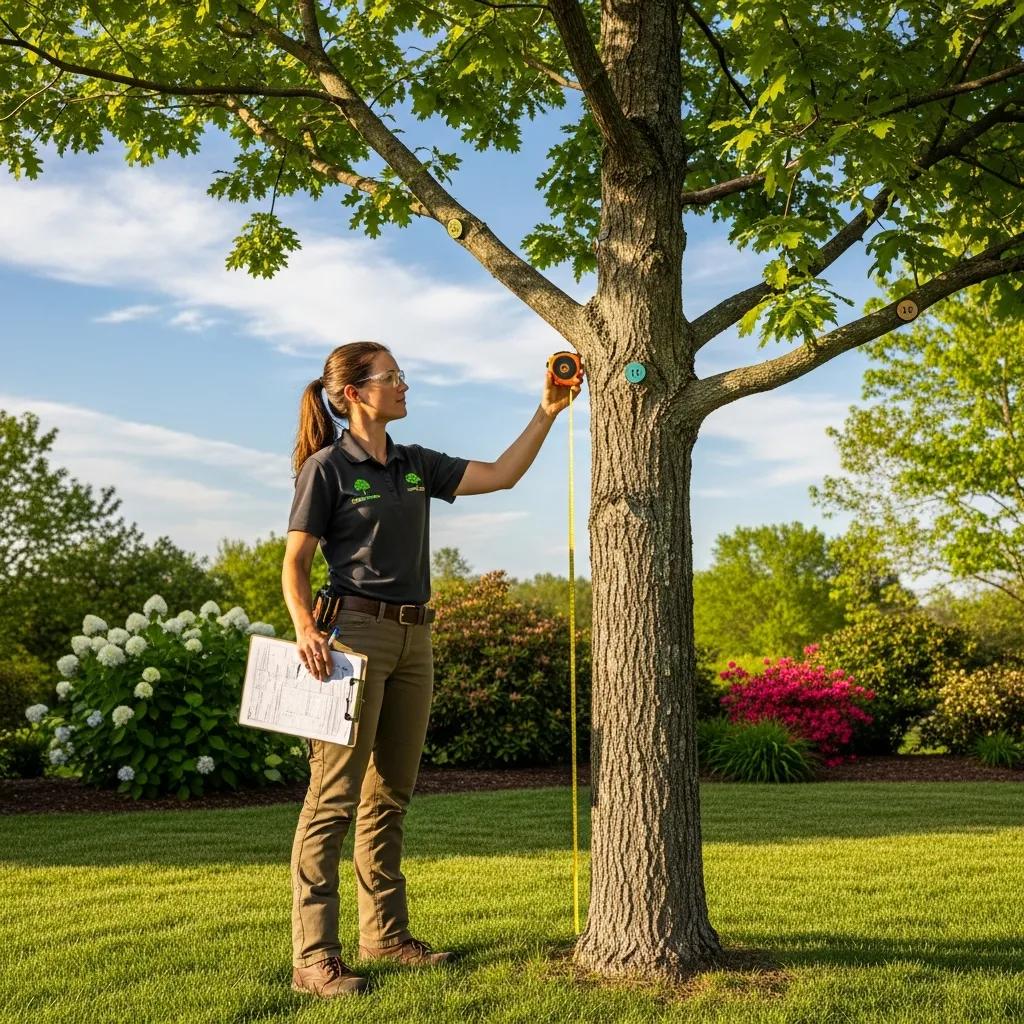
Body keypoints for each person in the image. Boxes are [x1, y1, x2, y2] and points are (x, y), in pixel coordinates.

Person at [282, 340, 583, 998]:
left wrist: (548, 412)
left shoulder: (416, 465)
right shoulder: (328, 468)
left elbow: (501, 474)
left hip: (415, 638)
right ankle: (313, 957)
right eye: (393, 377)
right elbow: (296, 562)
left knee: (389, 795)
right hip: (351, 637)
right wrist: (307, 628)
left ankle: (384, 934)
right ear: (356, 393)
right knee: (331, 801)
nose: (404, 386)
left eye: (401, 376)